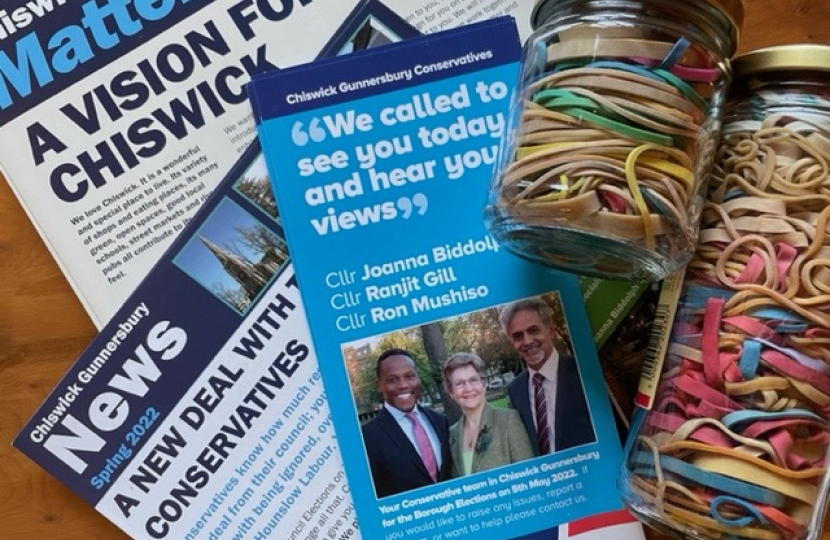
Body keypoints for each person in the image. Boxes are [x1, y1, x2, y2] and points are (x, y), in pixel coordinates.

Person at [499, 297, 596, 455]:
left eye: (533, 330)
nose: (527, 341)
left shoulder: (583, 372)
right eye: (518, 336)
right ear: (512, 343)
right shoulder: (514, 389)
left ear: (550, 330)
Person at [361, 348, 452, 498]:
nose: (403, 385)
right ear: (379, 386)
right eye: (392, 379)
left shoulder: (440, 421)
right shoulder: (367, 438)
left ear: (418, 378)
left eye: (409, 376)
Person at [442, 353, 533, 477]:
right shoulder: (452, 434)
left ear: (484, 384)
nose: (468, 388)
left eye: (474, 380)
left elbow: (529, 476)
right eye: (459, 383)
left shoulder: (509, 420)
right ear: (451, 392)